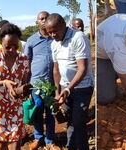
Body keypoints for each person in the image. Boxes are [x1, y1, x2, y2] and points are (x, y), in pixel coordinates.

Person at [45, 13, 94, 150]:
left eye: (55, 31)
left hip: (82, 87)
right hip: (65, 88)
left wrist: (67, 89)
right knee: (71, 121)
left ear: (63, 25)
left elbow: (82, 69)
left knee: (78, 122)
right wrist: (58, 91)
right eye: (50, 33)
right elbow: (56, 69)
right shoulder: (54, 43)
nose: (53, 35)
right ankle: (71, 146)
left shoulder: (78, 38)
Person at [23, 11, 60, 150]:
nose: (44, 21)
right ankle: (38, 138)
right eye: (41, 19)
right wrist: (25, 85)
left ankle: (50, 141)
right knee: (37, 111)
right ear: (37, 22)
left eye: (46, 18)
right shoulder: (32, 40)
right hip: (36, 84)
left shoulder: (56, 38)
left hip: (52, 84)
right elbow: (27, 62)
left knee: (51, 112)